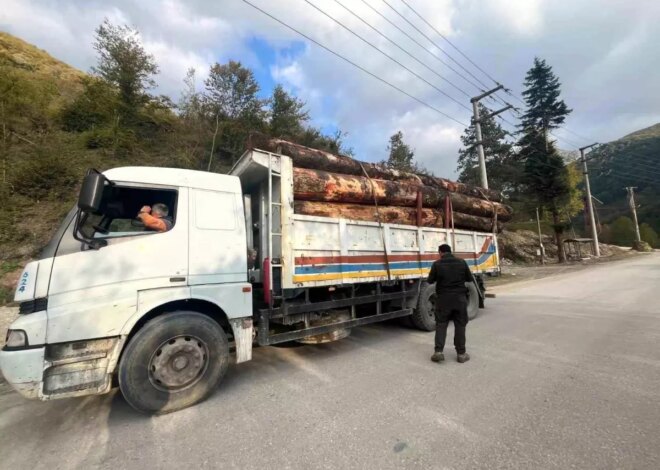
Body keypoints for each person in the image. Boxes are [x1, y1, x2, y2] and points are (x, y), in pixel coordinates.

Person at [426, 244, 473, 364]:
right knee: (460, 325)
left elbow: (430, 280)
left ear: (441, 252)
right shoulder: (462, 262)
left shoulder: (437, 264)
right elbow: (469, 279)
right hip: (460, 299)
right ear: (450, 251)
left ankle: (438, 352)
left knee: (441, 324)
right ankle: (461, 354)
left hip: (443, 300)